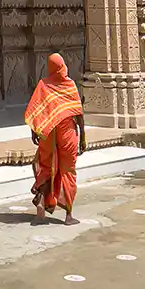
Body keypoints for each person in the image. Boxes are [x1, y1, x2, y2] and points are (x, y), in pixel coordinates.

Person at [24, 53, 85, 226]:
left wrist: (34, 131)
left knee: (46, 166)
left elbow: (36, 110)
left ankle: (41, 205)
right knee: (67, 171)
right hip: (67, 134)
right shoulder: (70, 85)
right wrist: (83, 137)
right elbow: (78, 114)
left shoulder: (44, 85)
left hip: (48, 133)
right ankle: (68, 216)